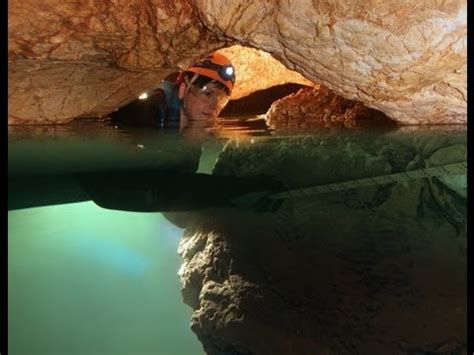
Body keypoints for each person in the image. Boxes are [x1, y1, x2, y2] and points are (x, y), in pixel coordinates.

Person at [110, 51, 235, 133]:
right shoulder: (149, 112)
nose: (214, 106)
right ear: (182, 90)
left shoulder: (195, 144)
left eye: (221, 99)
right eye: (207, 94)